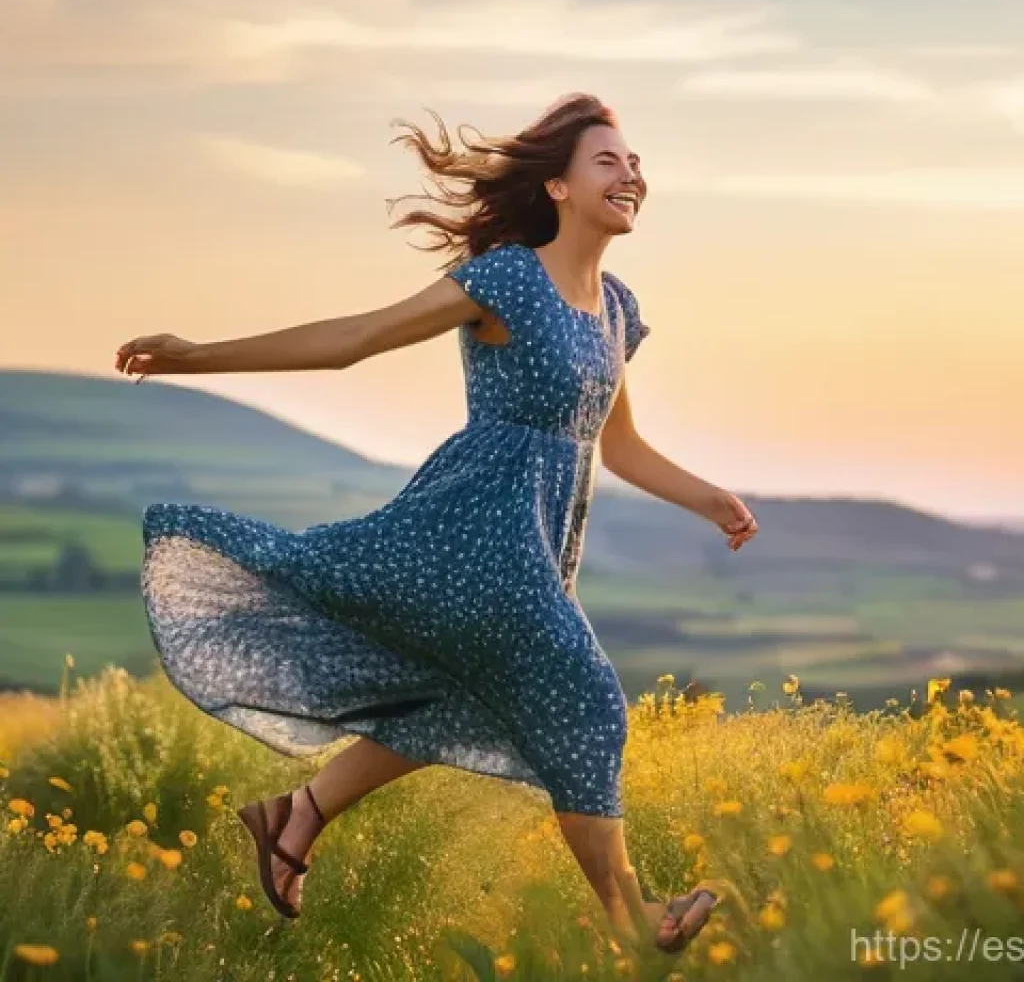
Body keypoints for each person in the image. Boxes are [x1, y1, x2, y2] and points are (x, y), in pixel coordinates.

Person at [113, 92, 758, 957]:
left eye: (634, 162)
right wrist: (198, 355)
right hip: (472, 535)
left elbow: (619, 445)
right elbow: (356, 339)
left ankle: (293, 818)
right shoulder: (504, 278)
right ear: (559, 187)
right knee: (590, 703)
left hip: (535, 545)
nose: (630, 172)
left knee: (462, 696)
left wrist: (708, 497)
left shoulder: (614, 309)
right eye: (608, 160)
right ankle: (635, 923)